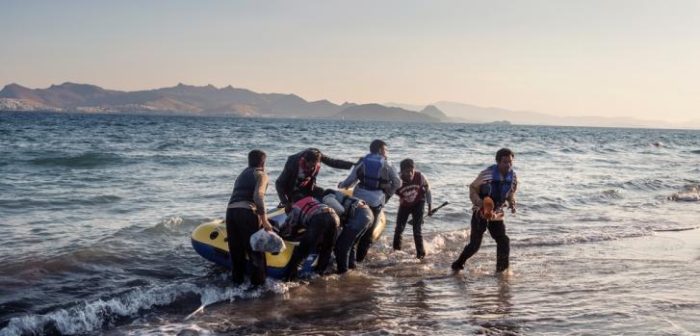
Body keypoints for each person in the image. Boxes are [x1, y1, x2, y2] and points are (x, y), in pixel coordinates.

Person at [452, 148, 518, 273]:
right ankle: (457, 265)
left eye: (510, 162)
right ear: (498, 162)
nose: (508, 165)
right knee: (475, 246)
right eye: (505, 162)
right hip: (480, 212)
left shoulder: (513, 176)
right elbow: (472, 188)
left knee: (503, 240)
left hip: (497, 213)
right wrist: (480, 203)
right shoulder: (486, 174)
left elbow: (511, 192)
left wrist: (512, 203)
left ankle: (501, 271)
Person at [338, 139, 401, 264]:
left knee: (354, 231)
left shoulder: (362, 162)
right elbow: (397, 183)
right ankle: (359, 261)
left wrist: (342, 185)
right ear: (379, 150)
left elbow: (350, 180)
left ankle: (349, 261)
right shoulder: (388, 164)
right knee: (368, 235)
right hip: (375, 202)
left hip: (358, 199)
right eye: (385, 149)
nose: (386, 152)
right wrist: (387, 192)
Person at [226, 149, 274, 286]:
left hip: (230, 212)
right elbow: (258, 197)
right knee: (256, 252)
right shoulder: (261, 174)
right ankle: (259, 290)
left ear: (249, 161)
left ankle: (236, 286)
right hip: (246, 212)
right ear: (263, 163)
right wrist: (264, 221)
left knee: (236, 253)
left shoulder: (241, 175)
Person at [280, 194, 340, 281]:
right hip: (334, 217)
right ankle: (320, 274)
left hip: (319, 219)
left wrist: (279, 232)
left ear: (292, 203)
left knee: (301, 251)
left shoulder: (295, 208)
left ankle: (290, 278)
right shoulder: (311, 199)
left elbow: (287, 227)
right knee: (327, 248)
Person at [275, 148, 355, 209]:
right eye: (310, 166)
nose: (312, 168)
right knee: (300, 197)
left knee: (323, 193)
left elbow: (333, 162)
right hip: (293, 190)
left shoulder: (317, 155)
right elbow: (279, 183)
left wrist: (353, 165)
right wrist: (285, 202)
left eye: (314, 166)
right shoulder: (292, 163)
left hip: (308, 187)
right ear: (305, 161)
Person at [322, 189, 374, 274]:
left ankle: (343, 273)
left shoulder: (327, 198)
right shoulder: (338, 195)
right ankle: (352, 267)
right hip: (368, 214)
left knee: (341, 247)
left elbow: (341, 210)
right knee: (351, 244)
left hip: (360, 217)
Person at [392, 159, 432, 259]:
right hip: (404, 205)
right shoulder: (397, 180)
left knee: (417, 230)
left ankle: (420, 255)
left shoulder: (420, 176)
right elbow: (387, 194)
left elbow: (428, 191)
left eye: (411, 170)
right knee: (398, 229)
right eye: (406, 171)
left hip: (419, 203)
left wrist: (430, 207)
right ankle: (396, 252)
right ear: (401, 172)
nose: (410, 173)